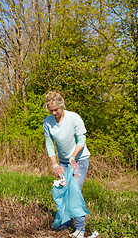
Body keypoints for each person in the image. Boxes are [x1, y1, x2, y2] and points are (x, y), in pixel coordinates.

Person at [43, 91, 90, 238]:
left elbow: (82, 140)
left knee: (74, 191)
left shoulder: (74, 118)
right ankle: (66, 220)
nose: (54, 113)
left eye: (56, 109)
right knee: (62, 190)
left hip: (79, 159)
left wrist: (73, 156)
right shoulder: (48, 122)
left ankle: (80, 228)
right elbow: (49, 144)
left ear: (62, 106)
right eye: (51, 110)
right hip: (63, 161)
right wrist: (54, 164)